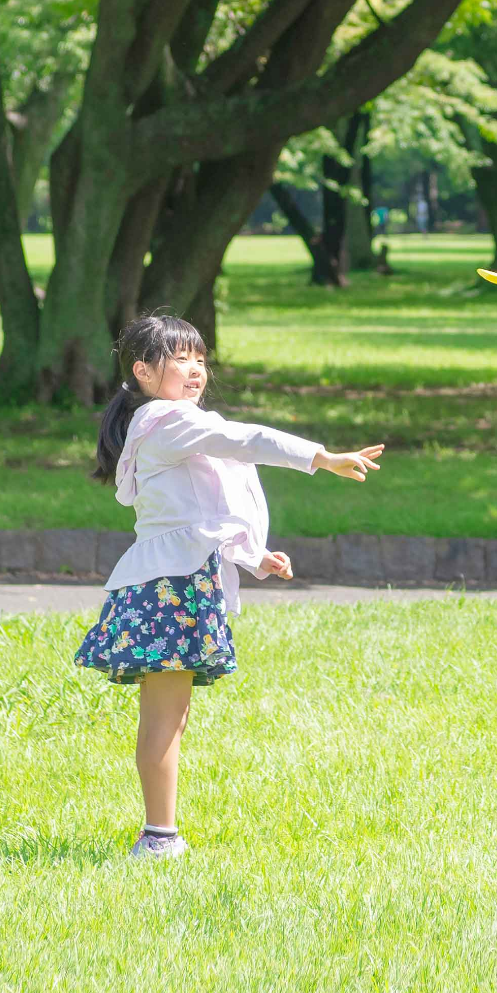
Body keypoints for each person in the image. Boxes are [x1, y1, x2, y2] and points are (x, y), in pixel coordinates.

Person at [77, 314, 383, 859]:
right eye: (180, 359)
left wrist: (254, 556)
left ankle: (160, 834)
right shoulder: (167, 422)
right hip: (171, 587)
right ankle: (158, 838)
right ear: (144, 371)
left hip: (174, 580)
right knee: (165, 719)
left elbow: (199, 512)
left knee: (170, 717)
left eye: (200, 358)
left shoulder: (167, 426)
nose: (195, 370)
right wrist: (322, 458)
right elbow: (247, 440)